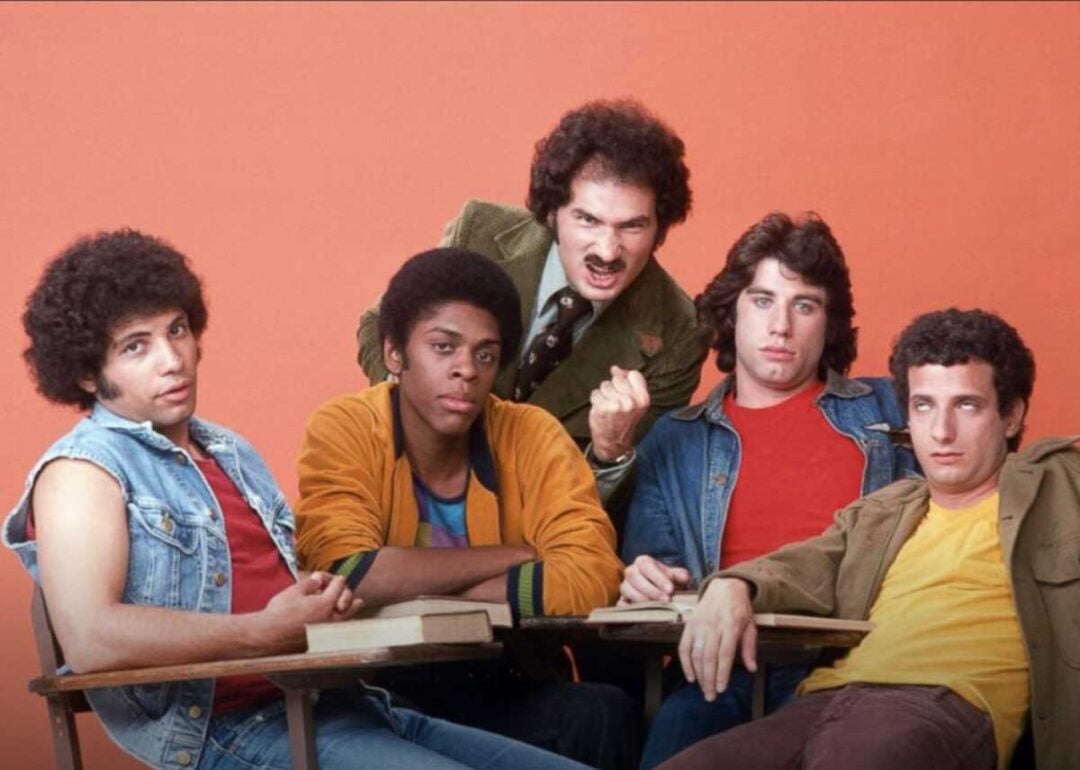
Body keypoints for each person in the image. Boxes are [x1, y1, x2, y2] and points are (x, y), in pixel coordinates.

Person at [2, 230, 587, 770]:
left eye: (176, 330)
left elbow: (277, 589)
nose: (172, 358)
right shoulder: (82, 471)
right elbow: (91, 637)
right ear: (86, 374)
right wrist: (264, 631)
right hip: (229, 731)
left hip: (347, 701)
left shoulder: (231, 452)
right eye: (136, 347)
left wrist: (321, 600)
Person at [665, 308, 1077, 770]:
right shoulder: (885, 512)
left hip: (937, 702)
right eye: (923, 406)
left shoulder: (1059, 483)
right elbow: (803, 565)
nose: (941, 431)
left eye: (966, 405)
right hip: (823, 700)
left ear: (1012, 416)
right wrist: (732, 585)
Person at [296, 247, 637, 769]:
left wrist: (411, 583)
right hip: (384, 684)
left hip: (505, 675)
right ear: (394, 354)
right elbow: (346, 573)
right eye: (442, 347)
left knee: (601, 710)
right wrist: (513, 555)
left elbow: (591, 576)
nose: (466, 371)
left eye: (484, 354)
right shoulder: (345, 427)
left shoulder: (531, 433)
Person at [619, 212, 917, 768]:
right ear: (731, 313)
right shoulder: (676, 439)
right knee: (676, 737)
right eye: (762, 300)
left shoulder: (892, 408)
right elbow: (657, 574)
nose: (781, 325)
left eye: (804, 305)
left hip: (859, 659)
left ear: (829, 324)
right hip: (722, 668)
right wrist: (641, 576)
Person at [356, 99, 709, 501]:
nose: (608, 252)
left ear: (659, 227)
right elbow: (379, 326)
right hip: (408, 487)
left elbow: (629, 508)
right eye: (587, 220)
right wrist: (414, 406)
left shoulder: (679, 332)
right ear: (552, 212)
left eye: (632, 226)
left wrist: (612, 453)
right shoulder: (481, 233)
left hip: (534, 527)